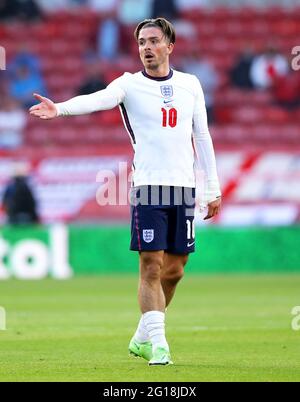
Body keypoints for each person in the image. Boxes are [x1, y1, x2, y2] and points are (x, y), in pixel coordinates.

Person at [29, 17, 221, 366]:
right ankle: (160, 345)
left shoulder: (191, 84)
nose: (146, 48)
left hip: (183, 188)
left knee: (175, 270)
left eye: (152, 41)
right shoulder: (129, 85)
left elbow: (203, 136)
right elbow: (98, 99)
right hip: (148, 187)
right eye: (141, 42)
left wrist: (212, 187)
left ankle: (141, 336)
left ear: (169, 46)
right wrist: (60, 109)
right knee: (151, 266)